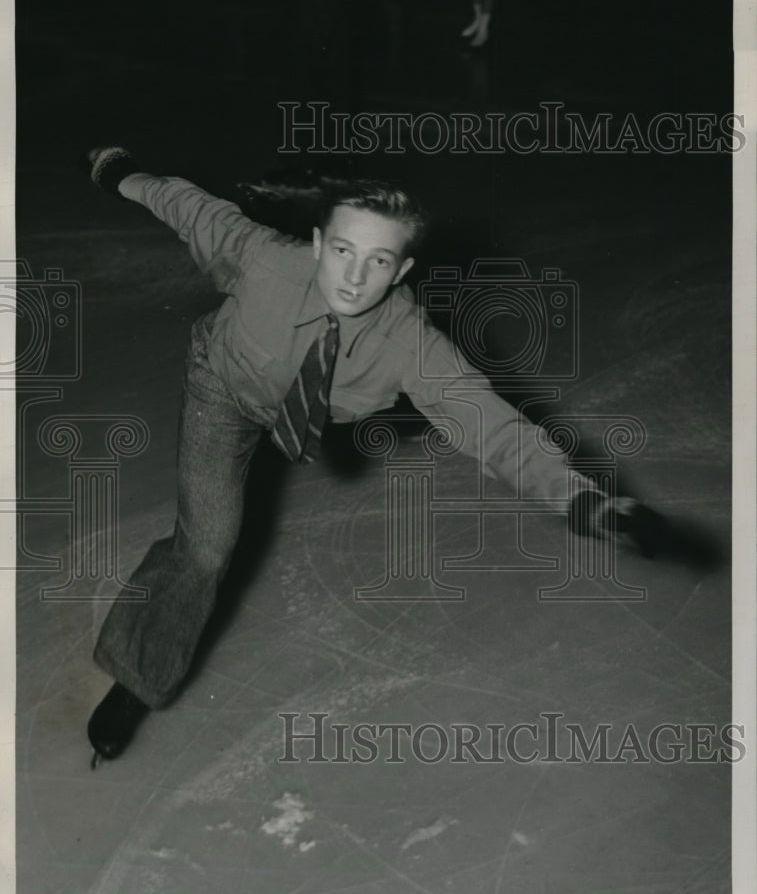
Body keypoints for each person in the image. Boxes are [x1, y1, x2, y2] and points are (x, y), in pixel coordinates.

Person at [83, 146, 670, 766]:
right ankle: (135, 676)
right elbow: (187, 205)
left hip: (304, 409)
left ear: (402, 269)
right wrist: (116, 170)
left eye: (379, 260)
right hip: (222, 387)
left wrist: (582, 500)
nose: (355, 278)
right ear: (316, 243)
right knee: (205, 546)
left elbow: (493, 427)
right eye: (343, 251)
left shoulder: (411, 344)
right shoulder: (263, 262)